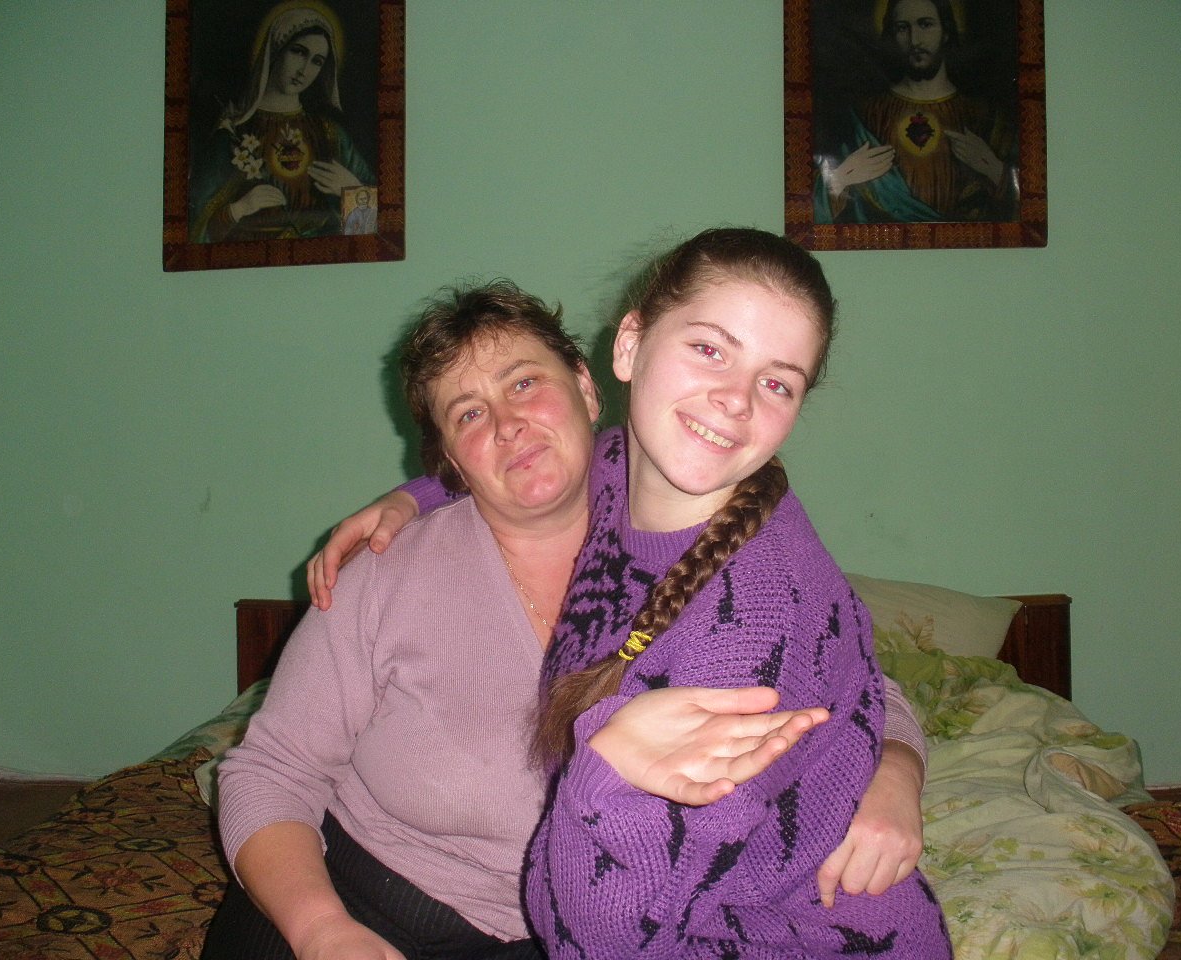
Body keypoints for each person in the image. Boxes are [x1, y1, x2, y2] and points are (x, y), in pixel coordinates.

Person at [203, 283, 835, 960]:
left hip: (576, 931)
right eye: (470, 414)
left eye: (525, 383)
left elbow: (846, 673)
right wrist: (320, 929)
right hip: (352, 895)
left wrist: (892, 770)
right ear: (450, 459)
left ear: (587, 389)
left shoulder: (706, 547)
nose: (507, 425)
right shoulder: (387, 575)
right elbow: (269, 770)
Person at [523, 228, 952, 957]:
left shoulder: (747, 632)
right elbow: (528, 471)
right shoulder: (620, 468)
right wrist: (409, 501)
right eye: (709, 349)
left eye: (777, 383)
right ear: (629, 346)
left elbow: (611, 941)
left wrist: (603, 781)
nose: (734, 400)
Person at [815, 0, 1016, 224]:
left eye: (925, 24)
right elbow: (812, 215)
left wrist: (996, 171)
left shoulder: (985, 117)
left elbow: (1027, 213)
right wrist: (840, 179)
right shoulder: (864, 115)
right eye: (902, 28)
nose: (914, 40)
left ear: (946, 31)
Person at [189, 2, 375, 243]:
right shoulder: (233, 132)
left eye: (317, 61)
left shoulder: (330, 134)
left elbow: (371, 234)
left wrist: (351, 188)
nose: (304, 70)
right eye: (298, 52)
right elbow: (195, 228)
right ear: (276, 50)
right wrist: (239, 209)